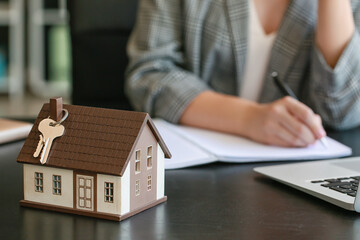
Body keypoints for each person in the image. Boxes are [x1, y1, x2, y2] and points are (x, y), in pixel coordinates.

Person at [125, 0, 360, 147]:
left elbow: (343, 110)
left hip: (301, 180)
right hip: (201, 177)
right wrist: (248, 118)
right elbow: (149, 74)